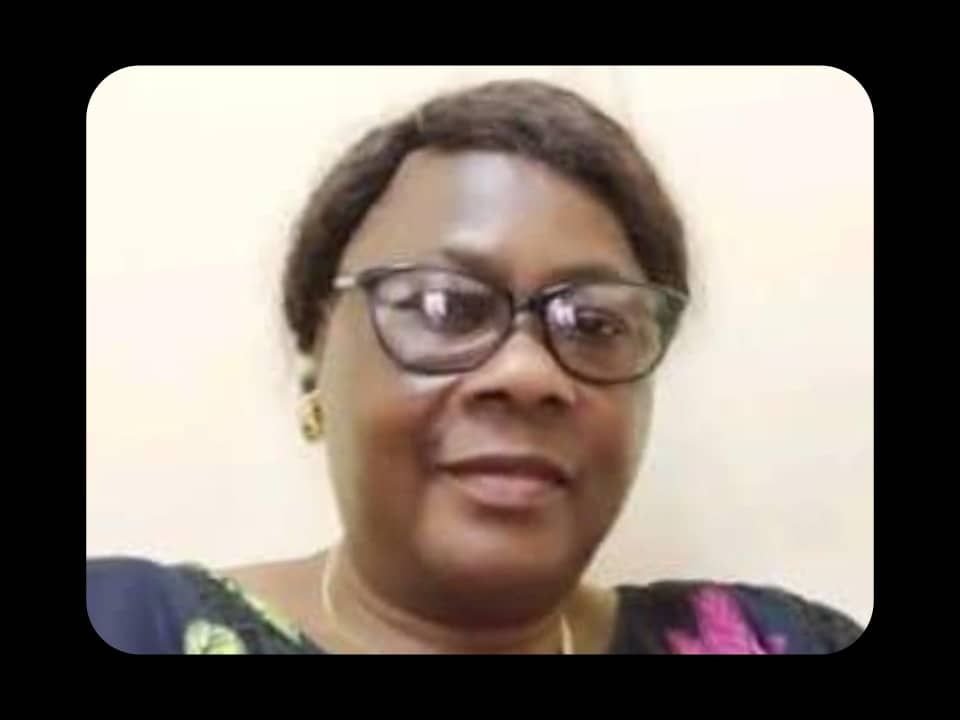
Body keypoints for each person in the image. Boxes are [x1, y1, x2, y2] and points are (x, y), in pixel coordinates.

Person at [86, 78, 865, 654]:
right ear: (317, 357)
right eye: (444, 306)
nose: (528, 375)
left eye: (595, 323)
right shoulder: (125, 624)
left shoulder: (784, 642)